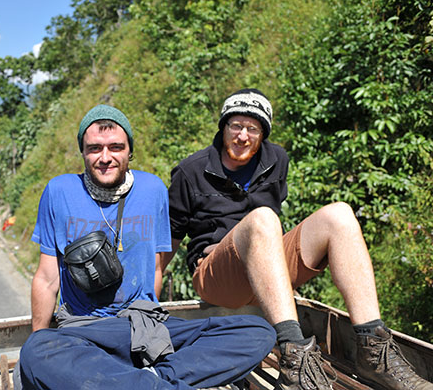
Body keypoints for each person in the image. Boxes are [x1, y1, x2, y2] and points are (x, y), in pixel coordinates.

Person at [165, 88, 433, 390]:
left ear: (262, 134)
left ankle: (373, 350)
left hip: (265, 270)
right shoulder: (191, 170)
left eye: (252, 128)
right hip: (217, 275)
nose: (242, 136)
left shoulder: (277, 159)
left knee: (340, 215)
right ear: (223, 127)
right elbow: (170, 237)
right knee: (265, 217)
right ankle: (296, 358)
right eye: (235, 125)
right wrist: (149, 297)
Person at [17, 104, 276, 390]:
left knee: (257, 331)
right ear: (82, 152)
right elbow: (47, 277)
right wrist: (40, 339)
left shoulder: (152, 189)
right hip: (84, 330)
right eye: (94, 148)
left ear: (130, 151)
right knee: (35, 351)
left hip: (144, 325)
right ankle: (155, 380)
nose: (105, 157)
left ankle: (152, 382)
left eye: (116, 147)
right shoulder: (59, 191)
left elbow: (155, 267)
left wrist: (153, 336)